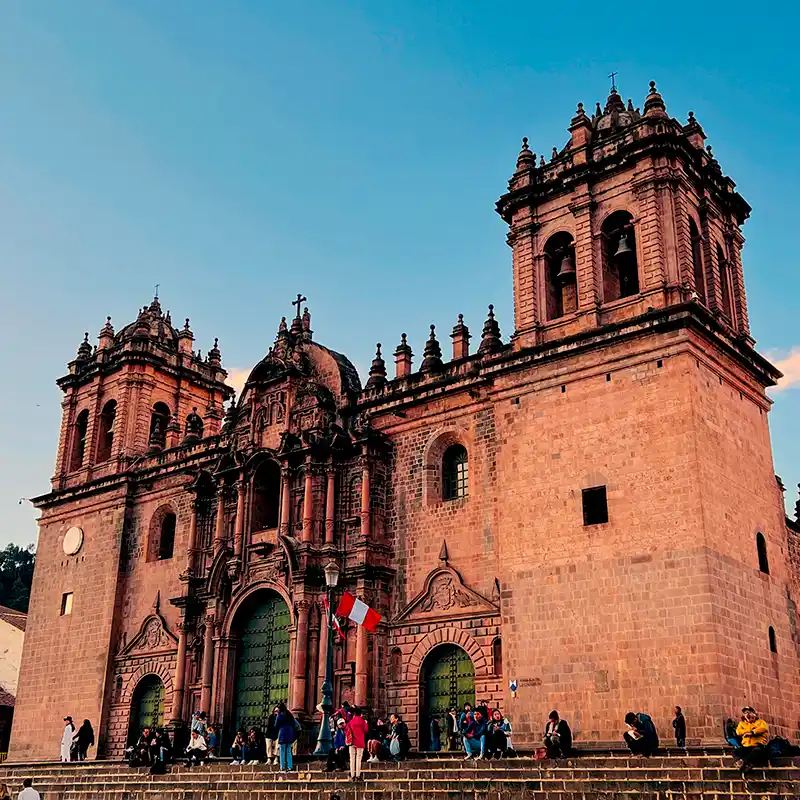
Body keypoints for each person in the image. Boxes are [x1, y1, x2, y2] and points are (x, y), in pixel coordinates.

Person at [733, 707, 769, 774]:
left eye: (749, 712)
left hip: (758, 745)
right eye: (745, 713)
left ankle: (745, 763)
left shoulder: (761, 722)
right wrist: (748, 731)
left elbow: (763, 729)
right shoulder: (742, 723)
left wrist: (752, 733)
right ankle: (740, 762)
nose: (747, 714)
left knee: (756, 752)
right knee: (736, 751)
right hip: (746, 745)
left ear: (754, 714)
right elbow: (738, 731)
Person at [346, 706, 369, 782]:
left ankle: (352, 775)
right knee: (358, 759)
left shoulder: (351, 722)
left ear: (354, 713)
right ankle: (358, 775)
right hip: (360, 742)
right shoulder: (363, 721)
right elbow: (366, 730)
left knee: (352, 759)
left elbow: (346, 730)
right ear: (360, 713)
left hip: (352, 742)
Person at [276, 702, 296, 772]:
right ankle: (290, 766)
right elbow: (293, 723)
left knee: (282, 751)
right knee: (288, 751)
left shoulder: (279, 716)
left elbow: (276, 725)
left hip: (283, 734)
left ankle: (282, 767)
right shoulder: (290, 715)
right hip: (290, 734)